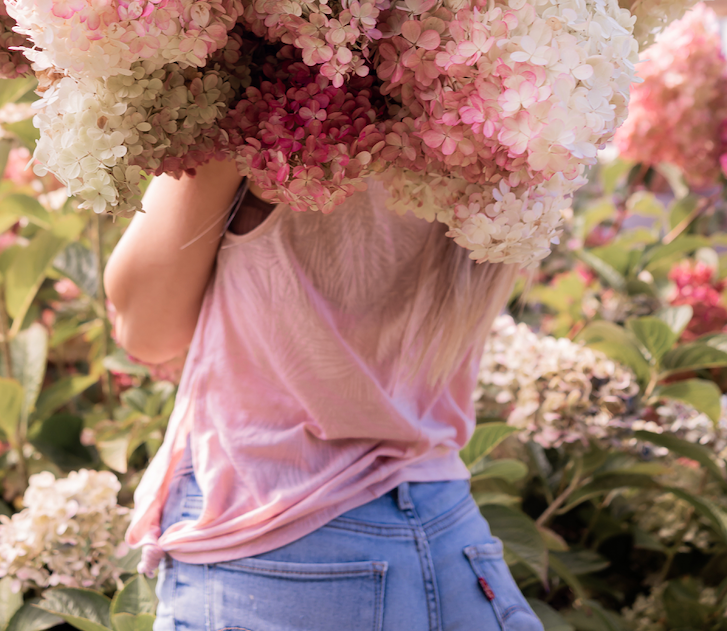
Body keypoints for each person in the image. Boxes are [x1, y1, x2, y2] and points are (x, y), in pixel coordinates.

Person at [104, 158, 544, 631]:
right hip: (454, 545)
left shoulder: (275, 95)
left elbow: (145, 326)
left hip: (277, 550)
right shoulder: (525, 106)